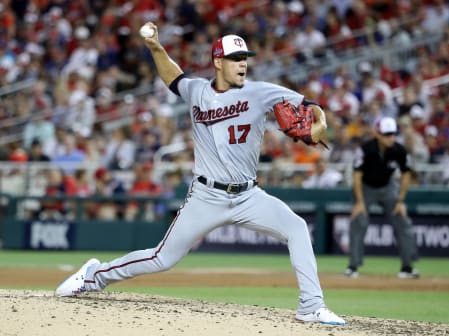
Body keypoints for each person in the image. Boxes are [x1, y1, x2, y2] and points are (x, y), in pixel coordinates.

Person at [55, 23, 345, 326]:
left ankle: (311, 306)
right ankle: (94, 275)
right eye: (235, 58)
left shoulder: (261, 92)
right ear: (218, 62)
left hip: (248, 195)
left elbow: (310, 106)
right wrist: (155, 47)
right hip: (206, 196)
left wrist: (320, 121)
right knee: (161, 258)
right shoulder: (196, 90)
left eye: (245, 57)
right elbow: (172, 75)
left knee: (297, 228)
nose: (242, 63)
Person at [345, 116, 419, 279]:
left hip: (388, 187)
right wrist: (359, 202)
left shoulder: (399, 150)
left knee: (402, 220)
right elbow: (357, 175)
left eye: (392, 134)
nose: (390, 137)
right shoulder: (365, 149)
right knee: (359, 221)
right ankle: (353, 266)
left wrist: (401, 201)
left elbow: (406, 174)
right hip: (365, 187)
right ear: (377, 134)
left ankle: (407, 267)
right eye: (387, 134)